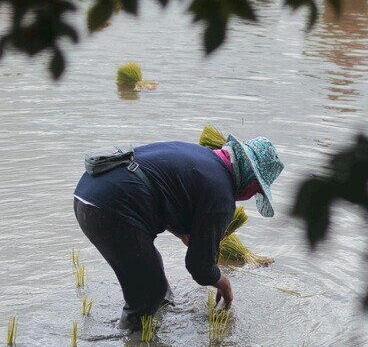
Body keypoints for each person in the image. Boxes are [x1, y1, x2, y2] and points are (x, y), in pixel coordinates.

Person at [73, 136, 284, 332]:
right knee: (149, 293)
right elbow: (199, 268)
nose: (249, 196)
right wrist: (224, 283)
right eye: (256, 191)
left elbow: (157, 188)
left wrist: (182, 232)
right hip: (110, 208)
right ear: (250, 182)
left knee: (155, 278)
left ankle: (150, 326)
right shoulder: (221, 197)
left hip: (87, 193)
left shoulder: (203, 157)